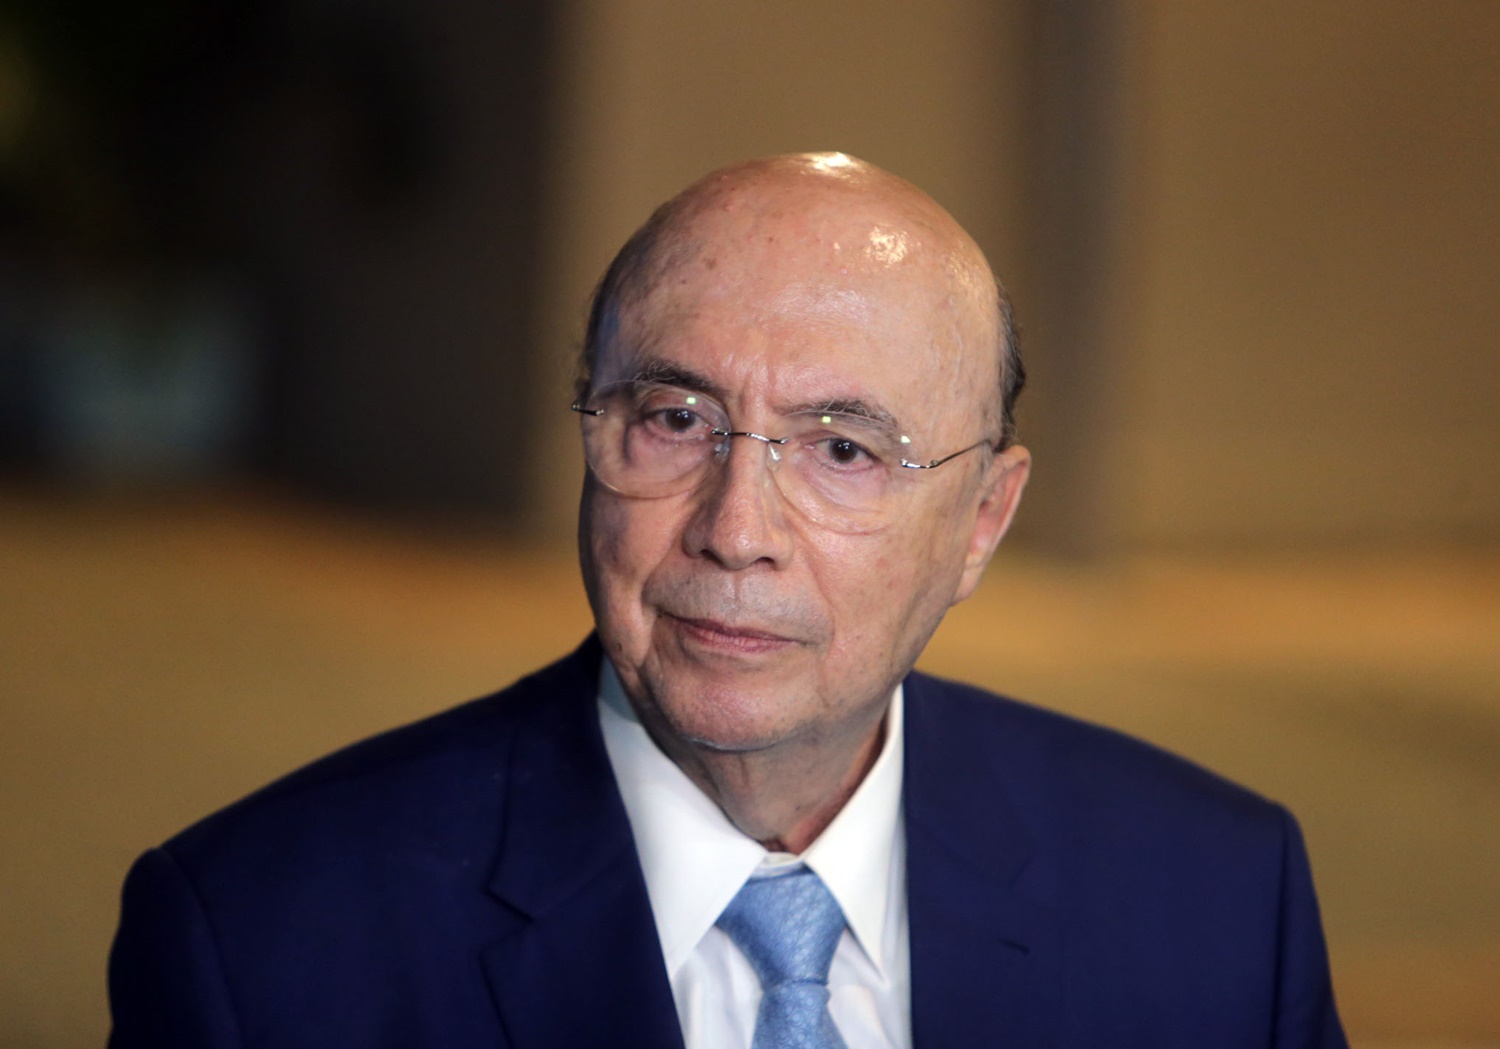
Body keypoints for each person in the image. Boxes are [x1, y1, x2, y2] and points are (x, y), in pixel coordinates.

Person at [108, 153, 1348, 1048]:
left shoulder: (1222, 902)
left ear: (983, 520)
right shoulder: (253, 944)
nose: (736, 529)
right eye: (674, 419)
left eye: (843, 449)